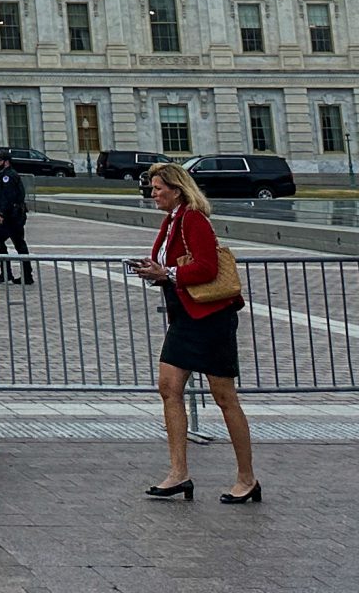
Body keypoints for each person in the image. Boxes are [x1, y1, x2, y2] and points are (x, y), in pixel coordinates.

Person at [132, 161, 259, 504]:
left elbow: (207, 266)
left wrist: (168, 274)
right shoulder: (171, 221)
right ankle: (178, 473)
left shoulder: (193, 219)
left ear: (177, 190)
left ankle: (247, 478)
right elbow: (171, 265)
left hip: (211, 317)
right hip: (184, 317)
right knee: (168, 388)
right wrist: (153, 270)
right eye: (152, 188)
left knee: (224, 397)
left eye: (158, 188)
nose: (153, 193)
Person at [0, 155, 33, 284]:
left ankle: (9, 273)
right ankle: (25, 275)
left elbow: (8, 197)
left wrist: (2, 214)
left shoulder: (7, 176)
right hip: (14, 215)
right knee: (19, 244)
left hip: (11, 216)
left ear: (6, 162)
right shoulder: (6, 174)